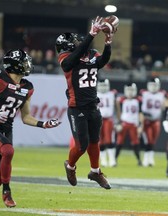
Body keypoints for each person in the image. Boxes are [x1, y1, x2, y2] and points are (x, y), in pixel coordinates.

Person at [0, 49, 61, 210]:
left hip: (6, 129)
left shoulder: (27, 87)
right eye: (24, 62)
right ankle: (7, 192)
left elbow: (26, 117)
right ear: (15, 65)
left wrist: (44, 124)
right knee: (8, 151)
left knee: (0, 173)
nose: (28, 64)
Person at [55, 16, 114, 189]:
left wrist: (108, 42)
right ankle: (70, 166)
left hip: (92, 105)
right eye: (74, 41)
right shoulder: (66, 58)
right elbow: (69, 64)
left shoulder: (91, 54)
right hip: (77, 107)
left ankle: (95, 171)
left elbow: (103, 61)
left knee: (95, 142)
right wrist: (91, 35)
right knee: (81, 146)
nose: (78, 41)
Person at [115, 83, 144, 166]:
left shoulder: (138, 100)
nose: (130, 92)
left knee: (135, 142)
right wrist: (118, 123)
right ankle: (114, 159)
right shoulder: (121, 100)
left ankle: (139, 160)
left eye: (132, 90)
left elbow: (140, 113)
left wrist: (140, 125)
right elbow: (118, 112)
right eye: (128, 90)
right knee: (119, 142)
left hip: (134, 124)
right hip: (124, 123)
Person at [140, 77, 166, 167]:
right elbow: (140, 109)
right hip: (147, 120)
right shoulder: (144, 94)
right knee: (149, 140)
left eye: (155, 85)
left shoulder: (162, 94)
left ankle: (150, 159)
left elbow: (164, 107)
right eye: (151, 85)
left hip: (156, 121)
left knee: (153, 141)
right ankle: (146, 159)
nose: (153, 87)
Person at [97, 79, 117, 167]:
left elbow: (117, 107)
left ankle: (112, 160)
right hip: (98, 119)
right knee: (100, 140)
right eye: (101, 86)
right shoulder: (95, 94)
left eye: (104, 86)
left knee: (109, 140)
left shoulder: (112, 94)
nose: (103, 88)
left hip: (109, 119)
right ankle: (103, 160)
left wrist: (118, 120)